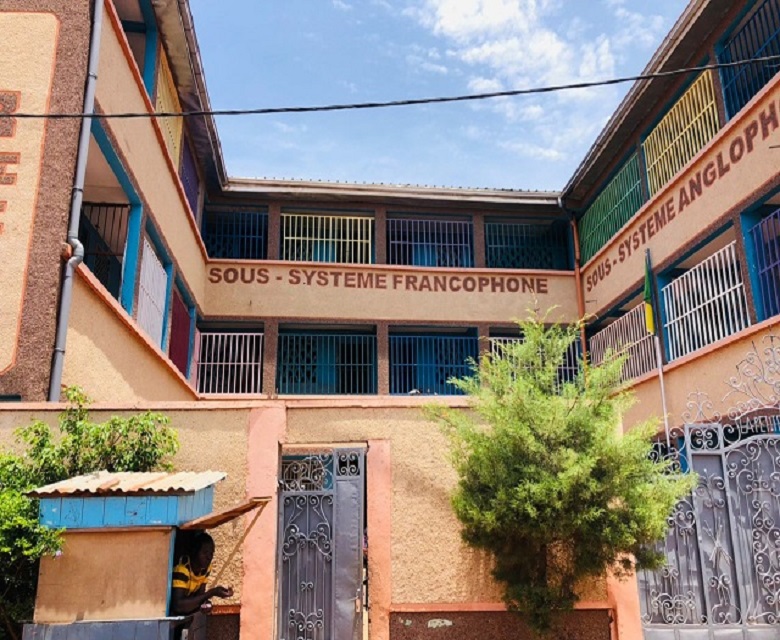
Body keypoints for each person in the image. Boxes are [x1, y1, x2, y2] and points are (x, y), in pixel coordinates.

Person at [171, 532, 233, 639]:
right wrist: (211, 593)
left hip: (187, 618)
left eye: (211, 553)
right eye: (205, 552)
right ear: (195, 552)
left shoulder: (205, 570)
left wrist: (206, 604)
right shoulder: (183, 569)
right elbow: (178, 605)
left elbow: (200, 598)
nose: (209, 557)